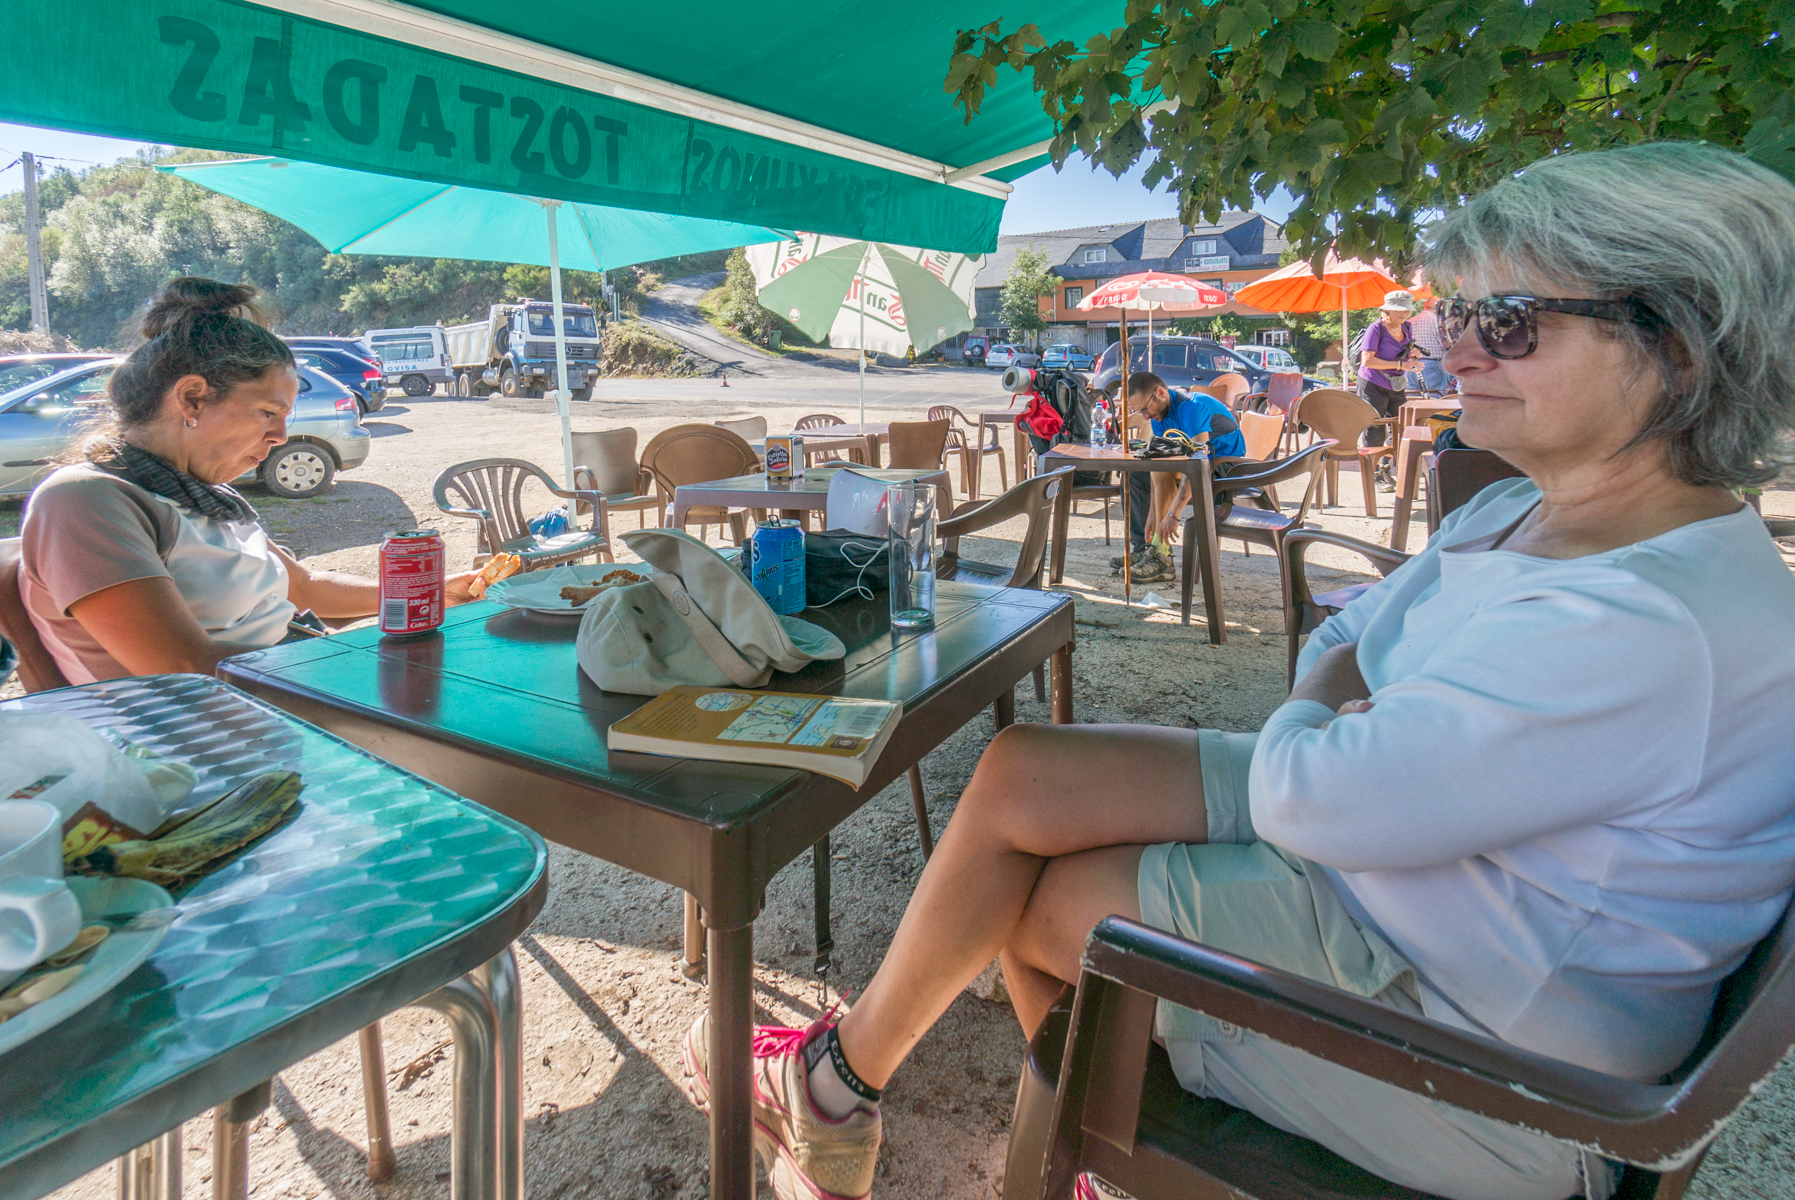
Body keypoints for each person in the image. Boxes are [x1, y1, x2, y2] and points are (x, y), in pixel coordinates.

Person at [680, 141, 1795, 1200]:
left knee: (1053, 904)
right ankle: (843, 1087)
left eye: (1506, 323)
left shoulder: (1648, 622)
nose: (1451, 350)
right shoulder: (1519, 511)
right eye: (1459, 313)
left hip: (1488, 1058)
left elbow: (1316, 775)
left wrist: (1336, 704)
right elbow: (1333, 655)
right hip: (1426, 891)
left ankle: (925, 1110)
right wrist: (1339, 702)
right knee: (1025, 771)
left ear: (1681, 347)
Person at [19, 277, 479, 684]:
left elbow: (304, 586)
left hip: (288, 690)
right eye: (267, 412)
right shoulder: (84, 501)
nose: (280, 437)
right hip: (209, 746)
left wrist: (437, 590)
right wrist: (347, 664)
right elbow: (183, 665)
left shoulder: (202, 493)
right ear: (193, 398)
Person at [1109, 371, 1247, 584]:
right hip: (1195, 466)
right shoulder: (1159, 417)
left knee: (1165, 469)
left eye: (1145, 409)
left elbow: (1198, 464)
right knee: (1134, 473)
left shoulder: (1191, 409)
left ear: (1160, 393)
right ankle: (1147, 548)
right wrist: (1153, 517)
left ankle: (1162, 558)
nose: (1145, 417)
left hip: (1227, 466)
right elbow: (1160, 466)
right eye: (1139, 412)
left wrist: (1172, 515)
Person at [1357, 290, 1416, 490]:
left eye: (1407, 310)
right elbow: (1367, 360)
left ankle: (1385, 468)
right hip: (1373, 384)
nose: (1405, 314)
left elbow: (1403, 354)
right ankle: (1372, 474)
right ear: (1386, 310)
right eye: (1400, 310)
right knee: (1374, 427)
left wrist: (1411, 356)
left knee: (1401, 425)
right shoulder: (1375, 329)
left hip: (1396, 384)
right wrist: (1401, 365)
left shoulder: (1407, 327)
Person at [1406, 296, 1453, 394]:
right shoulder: (1437, 321)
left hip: (1410, 365)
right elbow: (1446, 345)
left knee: (1412, 401)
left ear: (1425, 306)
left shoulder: (1409, 321)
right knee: (1435, 402)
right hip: (1432, 366)